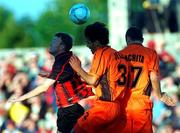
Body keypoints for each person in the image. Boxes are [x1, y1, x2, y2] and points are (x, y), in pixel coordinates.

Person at [8, 32, 95, 133]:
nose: (50, 43)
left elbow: (43, 87)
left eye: (54, 41)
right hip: (69, 109)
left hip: (70, 111)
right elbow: (66, 75)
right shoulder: (65, 58)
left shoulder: (61, 61)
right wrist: (50, 75)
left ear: (61, 46)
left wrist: (20, 98)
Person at [102, 27, 176, 133]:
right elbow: (154, 77)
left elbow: (109, 82)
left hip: (122, 105)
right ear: (142, 39)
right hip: (141, 105)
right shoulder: (151, 54)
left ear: (127, 39)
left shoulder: (117, 55)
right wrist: (160, 95)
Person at [69, 22, 129, 133]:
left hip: (105, 107)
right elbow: (96, 81)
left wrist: (78, 68)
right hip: (117, 107)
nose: (87, 45)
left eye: (88, 42)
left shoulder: (102, 53)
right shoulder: (119, 55)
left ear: (96, 43)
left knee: (77, 129)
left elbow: (92, 80)